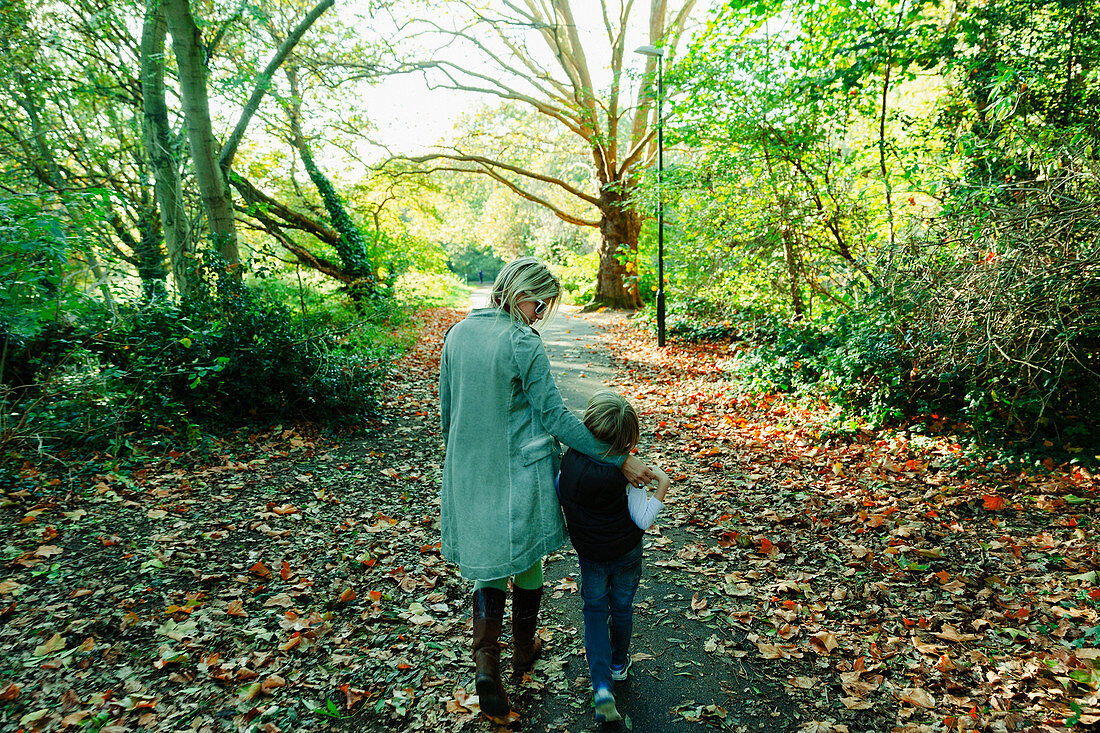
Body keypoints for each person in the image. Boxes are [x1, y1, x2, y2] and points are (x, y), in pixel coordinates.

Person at [438, 257, 656, 719]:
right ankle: (510, 658)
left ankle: (496, 661)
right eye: (539, 305)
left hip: (468, 469)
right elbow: (556, 418)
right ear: (519, 292)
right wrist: (617, 457)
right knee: (525, 555)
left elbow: (447, 413)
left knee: (494, 561)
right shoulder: (522, 342)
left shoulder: (455, 336)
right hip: (521, 470)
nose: (539, 315)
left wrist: (460, 462)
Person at [556, 390, 671, 724]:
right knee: (621, 608)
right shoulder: (629, 476)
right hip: (625, 555)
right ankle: (619, 664)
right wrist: (661, 483)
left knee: (594, 611)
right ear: (627, 438)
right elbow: (644, 519)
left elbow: (561, 490)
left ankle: (602, 686)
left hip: (590, 556)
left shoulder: (569, 461)